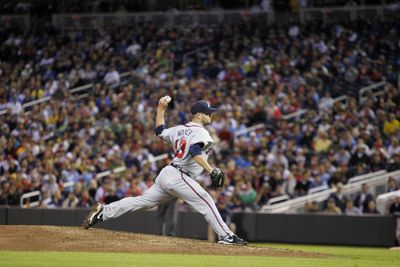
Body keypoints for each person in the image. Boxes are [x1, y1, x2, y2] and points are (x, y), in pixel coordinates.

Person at [83, 96, 247, 245]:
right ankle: (227, 236)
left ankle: (104, 212)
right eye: (207, 113)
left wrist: (160, 109)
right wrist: (211, 170)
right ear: (198, 115)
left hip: (168, 173)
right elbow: (195, 151)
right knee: (206, 200)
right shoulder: (201, 132)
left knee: (143, 202)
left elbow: (160, 131)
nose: (210, 115)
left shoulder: (179, 129)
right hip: (179, 175)